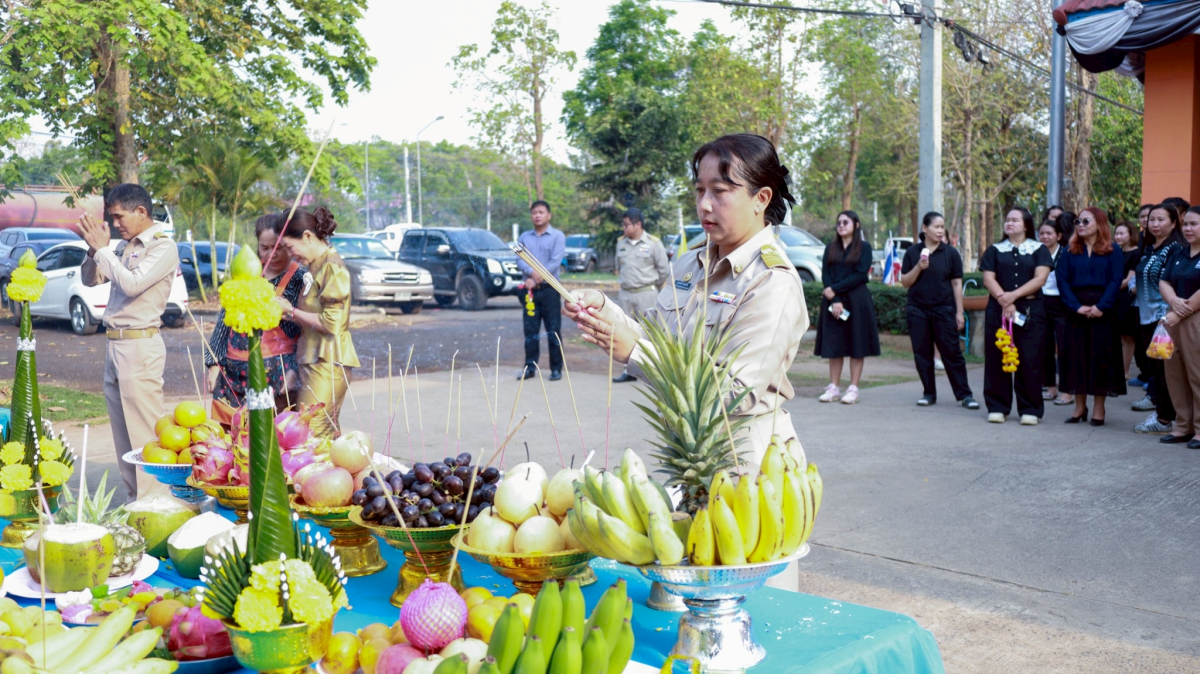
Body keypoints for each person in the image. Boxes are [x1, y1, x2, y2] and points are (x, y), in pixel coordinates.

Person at [563, 133, 808, 467]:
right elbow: (655, 333)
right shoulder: (690, 263)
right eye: (699, 190)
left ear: (760, 198)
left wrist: (636, 353)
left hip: (746, 461)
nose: (704, 204)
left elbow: (736, 392)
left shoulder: (771, 281)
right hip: (688, 454)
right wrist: (604, 309)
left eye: (719, 191)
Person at [78, 184, 180, 500]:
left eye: (119, 216)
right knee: (122, 432)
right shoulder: (122, 247)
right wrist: (94, 250)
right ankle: (135, 499)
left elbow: (133, 284)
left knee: (145, 431)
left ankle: (157, 502)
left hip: (141, 345)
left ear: (141, 212)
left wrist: (105, 250)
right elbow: (89, 279)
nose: (117, 224)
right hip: (115, 344)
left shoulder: (163, 247)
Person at [205, 214, 306, 422]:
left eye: (277, 247)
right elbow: (224, 323)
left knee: (273, 435)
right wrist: (214, 364)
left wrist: (293, 370)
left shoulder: (299, 278)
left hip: (277, 373)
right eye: (264, 248)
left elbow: (304, 332)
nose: (272, 254)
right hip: (234, 373)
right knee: (232, 435)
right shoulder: (245, 272)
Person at [273, 207, 359, 438]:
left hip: (328, 362)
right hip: (311, 360)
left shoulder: (332, 267)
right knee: (316, 436)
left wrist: (290, 310)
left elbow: (333, 323)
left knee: (313, 434)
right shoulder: (315, 267)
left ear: (308, 236)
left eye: (291, 247)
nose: (292, 255)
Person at [980, 207, 1053, 425]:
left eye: (1015, 220)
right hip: (998, 309)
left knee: (1029, 359)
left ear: (1026, 225)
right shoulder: (994, 250)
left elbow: (1040, 279)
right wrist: (1004, 299)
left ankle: (1030, 409)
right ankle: (997, 407)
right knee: (996, 356)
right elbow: (988, 279)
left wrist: (1012, 297)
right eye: (1007, 220)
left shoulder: (1039, 249)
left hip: (1030, 310)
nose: (1009, 223)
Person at [1056, 208, 1126, 425]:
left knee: (1100, 359)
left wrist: (1101, 306)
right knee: (1075, 359)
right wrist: (1076, 306)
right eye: (1078, 221)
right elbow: (1062, 280)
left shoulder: (1112, 250)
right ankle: (1079, 407)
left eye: (1086, 220)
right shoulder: (1069, 251)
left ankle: (1098, 408)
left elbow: (1116, 280)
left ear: (1100, 223)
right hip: (1075, 312)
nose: (1081, 224)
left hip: (1103, 313)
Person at [900, 211, 977, 409]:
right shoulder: (912, 253)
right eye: (936, 226)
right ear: (924, 228)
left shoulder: (950, 253)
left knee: (952, 352)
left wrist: (959, 312)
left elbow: (957, 284)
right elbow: (905, 282)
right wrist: (919, 266)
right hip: (917, 310)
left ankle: (965, 395)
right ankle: (929, 393)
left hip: (944, 309)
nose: (940, 230)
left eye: (942, 227)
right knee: (922, 353)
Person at [814, 210, 880, 404]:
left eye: (846, 222)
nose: (841, 225)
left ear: (856, 225)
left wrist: (833, 290)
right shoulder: (830, 248)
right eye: (839, 222)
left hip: (857, 301)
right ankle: (833, 387)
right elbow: (825, 272)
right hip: (833, 302)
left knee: (856, 344)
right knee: (834, 344)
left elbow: (860, 275)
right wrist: (834, 298)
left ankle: (853, 388)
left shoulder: (865, 248)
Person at [1132, 204, 1185, 435]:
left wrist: (1168, 314)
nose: (1154, 224)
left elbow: (1175, 282)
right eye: (1151, 219)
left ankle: (1165, 418)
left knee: (1167, 370)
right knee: (1155, 368)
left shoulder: (1176, 249)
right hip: (1145, 316)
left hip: (1164, 318)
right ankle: (1162, 413)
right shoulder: (1149, 248)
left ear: (1174, 223)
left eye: (1160, 219)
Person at [611, 207, 670, 383]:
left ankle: (653, 372)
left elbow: (663, 271)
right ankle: (629, 371)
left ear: (638, 224)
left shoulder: (653, 243)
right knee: (624, 330)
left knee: (650, 332)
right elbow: (618, 266)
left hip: (646, 293)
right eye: (623, 224)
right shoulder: (621, 244)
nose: (624, 228)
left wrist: (654, 288)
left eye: (627, 224)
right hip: (626, 294)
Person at [1159, 206, 1200, 448]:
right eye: (1185, 224)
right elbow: (1164, 280)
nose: (1188, 229)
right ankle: (1182, 426)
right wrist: (1173, 302)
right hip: (1174, 317)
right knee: (1174, 374)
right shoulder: (1178, 253)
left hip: (1194, 318)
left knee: (1197, 374)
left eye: (1194, 224)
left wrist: (1182, 309)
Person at [516, 200, 566, 381]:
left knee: (553, 330)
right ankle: (529, 368)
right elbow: (519, 259)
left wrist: (538, 276)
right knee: (530, 331)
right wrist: (531, 274)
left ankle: (556, 368)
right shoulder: (524, 237)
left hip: (550, 290)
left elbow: (555, 261)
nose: (537, 215)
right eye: (534, 212)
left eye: (541, 212)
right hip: (529, 291)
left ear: (549, 215)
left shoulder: (557, 236)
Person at [1039, 216, 1072, 406]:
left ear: (1058, 236)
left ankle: (1067, 389)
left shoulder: (1066, 254)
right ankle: (1050, 386)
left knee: (1064, 347)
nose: (1045, 237)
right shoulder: (1036, 253)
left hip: (1062, 303)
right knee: (1045, 346)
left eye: (1049, 233)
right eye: (1041, 233)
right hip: (1041, 302)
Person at [1113, 221, 1144, 384]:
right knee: (1116, 336)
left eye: (1122, 233)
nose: (1118, 236)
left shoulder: (1136, 253)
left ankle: (1124, 371)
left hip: (1127, 299)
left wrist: (1109, 286)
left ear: (1131, 235)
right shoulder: (1114, 252)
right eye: (1116, 233)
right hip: (1114, 297)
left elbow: (1128, 281)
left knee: (1127, 337)